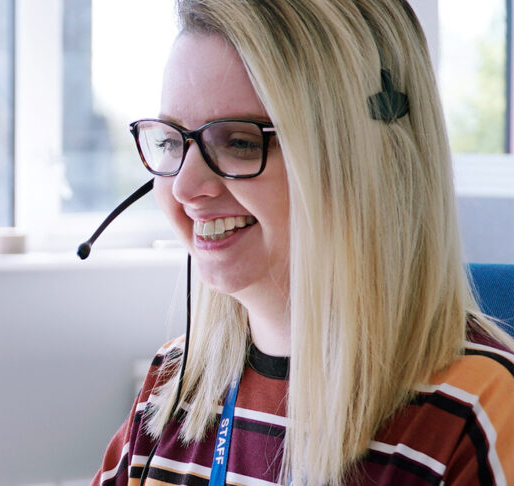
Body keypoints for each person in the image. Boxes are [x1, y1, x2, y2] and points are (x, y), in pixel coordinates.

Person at [92, 1, 514, 485]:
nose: (186, 188)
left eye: (241, 141)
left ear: (361, 161)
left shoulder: (472, 417)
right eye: (171, 141)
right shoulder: (172, 386)